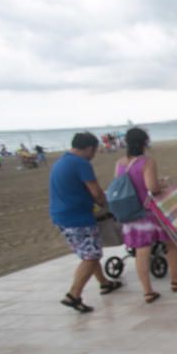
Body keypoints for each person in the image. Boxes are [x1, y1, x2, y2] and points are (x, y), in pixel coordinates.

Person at [115, 126, 177, 303]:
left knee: (141, 250)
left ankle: (148, 291)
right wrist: (162, 184)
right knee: (172, 242)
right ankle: (176, 280)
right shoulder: (147, 162)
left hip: (130, 212)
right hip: (148, 210)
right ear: (144, 142)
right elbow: (152, 188)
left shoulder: (119, 163)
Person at [49, 132, 122, 313]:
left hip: (61, 216)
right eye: (95, 150)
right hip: (77, 218)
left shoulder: (62, 162)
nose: (94, 154)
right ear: (89, 148)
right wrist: (106, 204)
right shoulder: (81, 164)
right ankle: (74, 295)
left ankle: (104, 283)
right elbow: (96, 192)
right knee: (91, 256)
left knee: (89, 252)